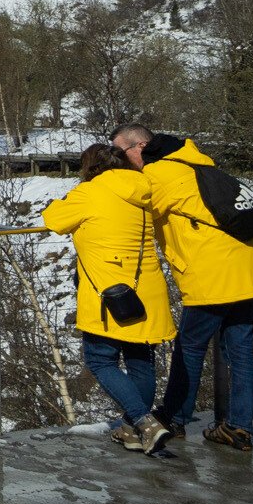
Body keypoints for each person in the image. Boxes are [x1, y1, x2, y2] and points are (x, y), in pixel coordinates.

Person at [117, 126, 253, 451]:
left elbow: (129, 201)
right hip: (248, 267)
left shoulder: (162, 174)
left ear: (141, 146)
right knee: (241, 352)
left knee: (190, 347)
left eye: (121, 153)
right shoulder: (198, 163)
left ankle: (174, 418)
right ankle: (238, 428)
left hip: (214, 276)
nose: (120, 161)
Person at [42, 143, 177, 453]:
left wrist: (66, 197)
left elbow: (54, 219)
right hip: (147, 287)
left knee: (101, 362)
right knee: (141, 362)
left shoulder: (89, 192)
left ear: (89, 167)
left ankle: (146, 422)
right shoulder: (144, 188)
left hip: (109, 291)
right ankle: (132, 431)